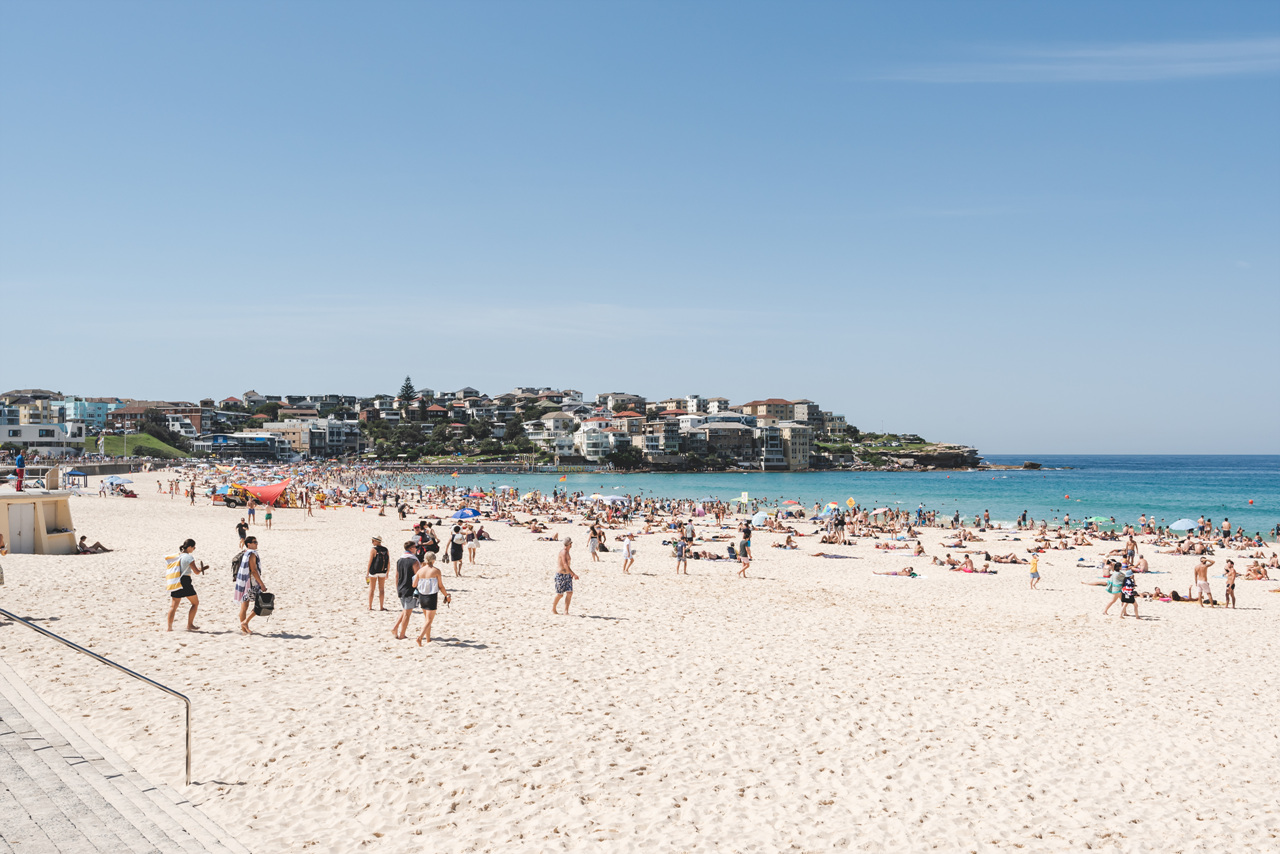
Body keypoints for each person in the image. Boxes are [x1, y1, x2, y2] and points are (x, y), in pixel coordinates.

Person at [166, 538, 205, 632]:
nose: (194, 549)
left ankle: (169, 628)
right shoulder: (189, 558)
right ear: (190, 547)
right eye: (194, 547)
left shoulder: (177, 556)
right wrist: (200, 570)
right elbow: (196, 572)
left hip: (175, 580)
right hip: (185, 581)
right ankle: (190, 625)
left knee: (173, 606)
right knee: (195, 603)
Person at [414, 554, 450, 646]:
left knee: (427, 619)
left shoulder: (420, 571)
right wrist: (446, 595)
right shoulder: (436, 571)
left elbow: (414, 584)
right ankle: (420, 638)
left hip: (422, 596)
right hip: (431, 597)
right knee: (429, 620)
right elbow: (440, 586)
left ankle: (428, 639)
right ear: (433, 560)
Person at [233, 536, 267, 635]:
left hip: (244, 582)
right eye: (254, 542)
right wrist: (262, 584)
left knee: (244, 607)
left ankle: (244, 629)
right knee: (262, 604)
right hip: (252, 583)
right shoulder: (252, 554)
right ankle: (245, 622)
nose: (257, 543)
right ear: (248, 544)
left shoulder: (245, 552)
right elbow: (254, 571)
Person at [392, 540, 421, 640]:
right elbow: (418, 576)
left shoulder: (400, 560)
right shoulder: (414, 561)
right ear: (411, 549)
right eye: (415, 547)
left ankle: (395, 628)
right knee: (407, 614)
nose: (416, 549)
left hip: (401, 588)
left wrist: (397, 588)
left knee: (405, 609)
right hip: (410, 589)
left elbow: (397, 576)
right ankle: (402, 634)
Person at [553, 538, 578, 615]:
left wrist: (570, 574)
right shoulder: (563, 552)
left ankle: (566, 611)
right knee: (560, 594)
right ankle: (553, 608)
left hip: (567, 575)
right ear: (570, 544)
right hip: (561, 575)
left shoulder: (567, 552)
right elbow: (565, 564)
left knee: (570, 593)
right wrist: (573, 574)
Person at [366, 535, 390, 611]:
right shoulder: (385, 549)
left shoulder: (373, 549)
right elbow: (388, 562)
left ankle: (370, 607)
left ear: (377, 541)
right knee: (382, 589)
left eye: (373, 541)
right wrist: (387, 572)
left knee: (372, 589)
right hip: (382, 571)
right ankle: (381, 607)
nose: (372, 542)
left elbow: (370, 562)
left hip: (374, 571)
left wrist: (367, 573)